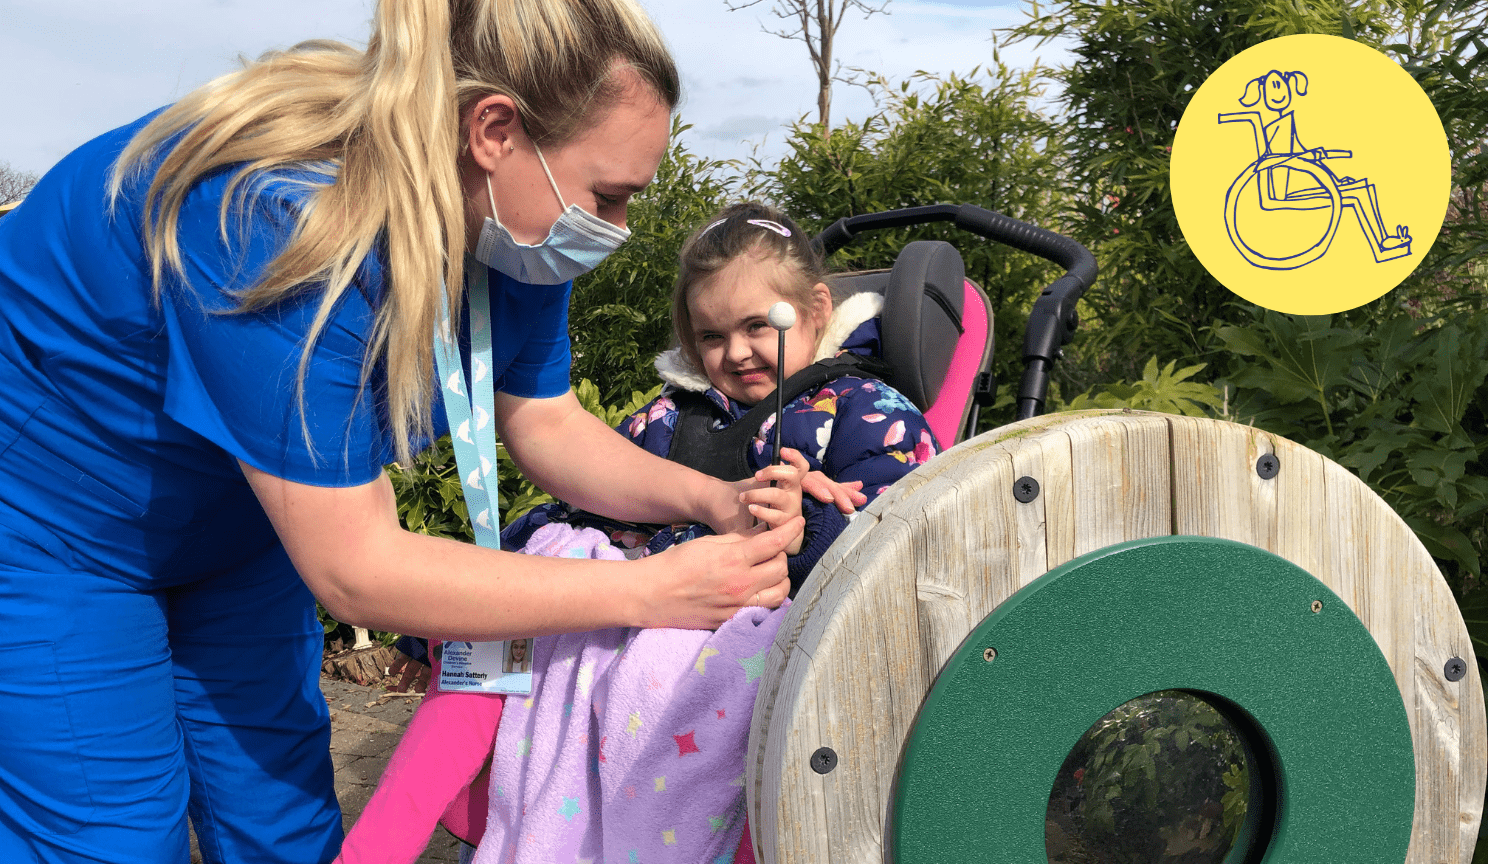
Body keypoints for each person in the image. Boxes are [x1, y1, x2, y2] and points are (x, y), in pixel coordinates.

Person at [0, 4, 853, 862]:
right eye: (609, 196)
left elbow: (545, 422)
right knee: (109, 835)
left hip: (246, 522)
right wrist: (653, 590)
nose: (618, 229)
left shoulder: (515, 231)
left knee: (280, 817)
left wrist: (713, 496)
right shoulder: (276, 220)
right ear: (494, 130)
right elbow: (357, 570)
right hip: (56, 530)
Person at [338, 202, 941, 864]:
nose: (736, 353)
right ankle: (373, 851)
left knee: (757, 703)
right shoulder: (665, 418)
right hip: (617, 627)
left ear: (819, 309)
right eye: (711, 337)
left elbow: (897, 550)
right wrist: (459, 607)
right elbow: (576, 511)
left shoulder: (864, 412)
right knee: (492, 639)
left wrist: (813, 526)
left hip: (740, 649)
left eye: (755, 327)